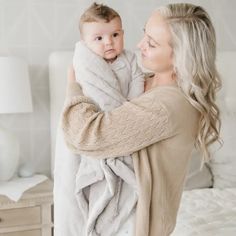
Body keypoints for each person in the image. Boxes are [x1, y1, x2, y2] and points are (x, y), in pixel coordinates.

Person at [61, 3, 221, 236]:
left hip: (134, 226)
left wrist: (73, 87)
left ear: (180, 56)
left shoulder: (168, 105)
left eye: (152, 43)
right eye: (144, 33)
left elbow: (86, 137)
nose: (139, 45)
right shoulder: (137, 81)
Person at [72, 3, 144, 236]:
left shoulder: (130, 60)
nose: (109, 42)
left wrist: (127, 114)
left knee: (129, 202)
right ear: (85, 43)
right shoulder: (87, 65)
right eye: (99, 38)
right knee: (100, 191)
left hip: (126, 130)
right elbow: (90, 97)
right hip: (100, 137)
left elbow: (137, 92)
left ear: (123, 33)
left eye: (115, 34)